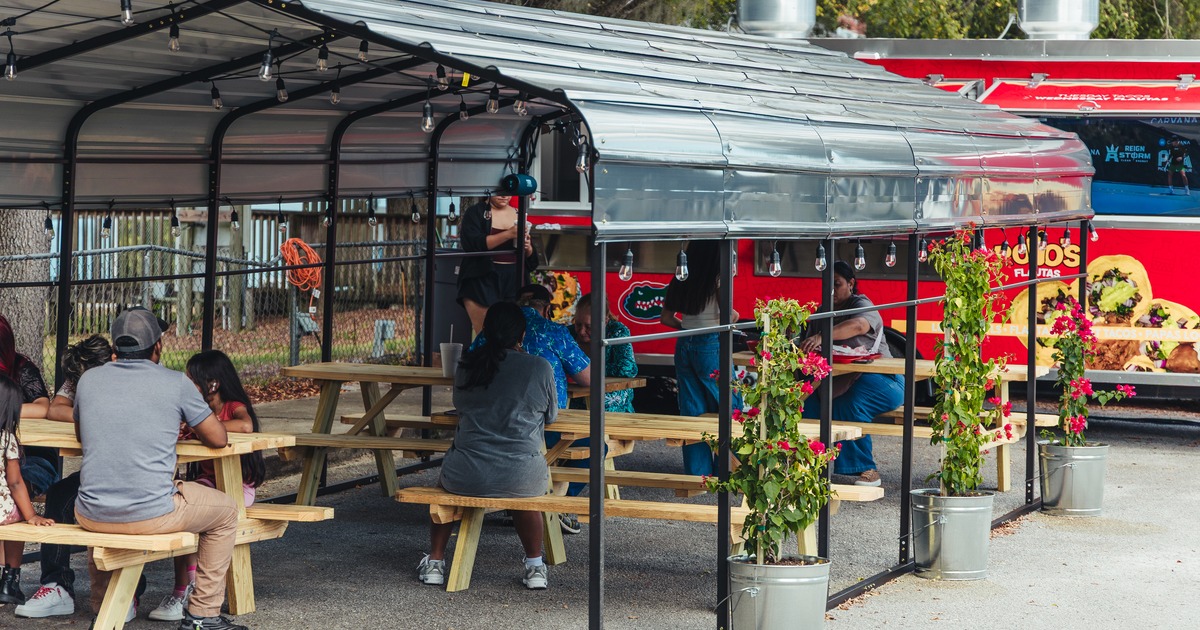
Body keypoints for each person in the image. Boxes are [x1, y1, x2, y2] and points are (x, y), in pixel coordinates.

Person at [73, 307, 246, 630]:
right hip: (151, 514)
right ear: (158, 347)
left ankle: (105, 606)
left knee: (104, 499)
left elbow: (83, 436)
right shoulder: (175, 383)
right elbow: (219, 439)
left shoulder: (88, 380)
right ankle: (203, 614)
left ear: (115, 348)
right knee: (226, 511)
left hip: (90, 513)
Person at [417, 302, 558, 591]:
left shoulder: (467, 364)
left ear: (485, 331)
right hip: (521, 475)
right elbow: (551, 416)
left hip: (465, 475)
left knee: (443, 495)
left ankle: (435, 562)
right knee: (525, 497)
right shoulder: (538, 367)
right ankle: (535, 567)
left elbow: (461, 406)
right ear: (521, 335)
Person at [148, 350, 266, 623]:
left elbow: (246, 426)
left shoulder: (232, 405)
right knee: (183, 510)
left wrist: (206, 427)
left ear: (213, 384)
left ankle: (191, 590)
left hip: (238, 488)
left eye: (193, 378)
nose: (188, 382)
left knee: (200, 518)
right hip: (208, 482)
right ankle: (183, 587)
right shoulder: (196, 408)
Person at [15, 334, 116, 619]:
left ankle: (126, 591)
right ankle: (57, 585)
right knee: (60, 494)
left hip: (126, 472)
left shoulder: (120, 381)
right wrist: (88, 412)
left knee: (91, 502)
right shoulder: (79, 375)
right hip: (98, 467)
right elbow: (56, 408)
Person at [798, 261, 904, 487]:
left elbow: (858, 325)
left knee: (850, 404)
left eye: (837, 284)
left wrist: (822, 337)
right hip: (843, 379)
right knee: (808, 402)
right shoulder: (822, 312)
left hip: (886, 381)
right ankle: (808, 462)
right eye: (827, 285)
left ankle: (866, 469)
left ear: (851, 284)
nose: (831, 291)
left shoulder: (862, 304)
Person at [514, 284, 592, 533]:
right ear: (547, 309)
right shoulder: (551, 331)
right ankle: (557, 503)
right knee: (594, 446)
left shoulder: (491, 330)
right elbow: (588, 378)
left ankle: (525, 500)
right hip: (542, 427)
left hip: (497, 425)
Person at [659, 240, 739, 477]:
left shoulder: (681, 276)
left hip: (685, 343)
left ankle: (698, 475)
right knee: (729, 406)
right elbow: (729, 314)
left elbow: (665, 318)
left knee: (692, 409)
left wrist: (687, 326)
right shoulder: (718, 276)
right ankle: (729, 471)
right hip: (710, 344)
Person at [0, 377, 55, 607]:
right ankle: (9, 580)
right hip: (3, 511)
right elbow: (15, 482)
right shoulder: (7, 437)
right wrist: (31, 514)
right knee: (15, 517)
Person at [457, 186, 539, 334]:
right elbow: (473, 245)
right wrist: (508, 234)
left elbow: (532, 262)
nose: (504, 196)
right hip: (482, 280)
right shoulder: (476, 212)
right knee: (487, 333)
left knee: (513, 335)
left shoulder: (518, 214)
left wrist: (528, 248)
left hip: (514, 279)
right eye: (499, 192)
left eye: (508, 192)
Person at [0, 315, 59, 504]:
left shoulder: (21, 367)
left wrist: (7, 408)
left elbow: (43, 407)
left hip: (31, 457)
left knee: (19, 481)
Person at [570, 293, 637, 414]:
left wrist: (583, 370)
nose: (581, 331)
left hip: (611, 403)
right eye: (578, 324)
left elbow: (627, 368)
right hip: (575, 399)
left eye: (589, 327)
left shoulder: (617, 331)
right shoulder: (569, 333)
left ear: (605, 321)